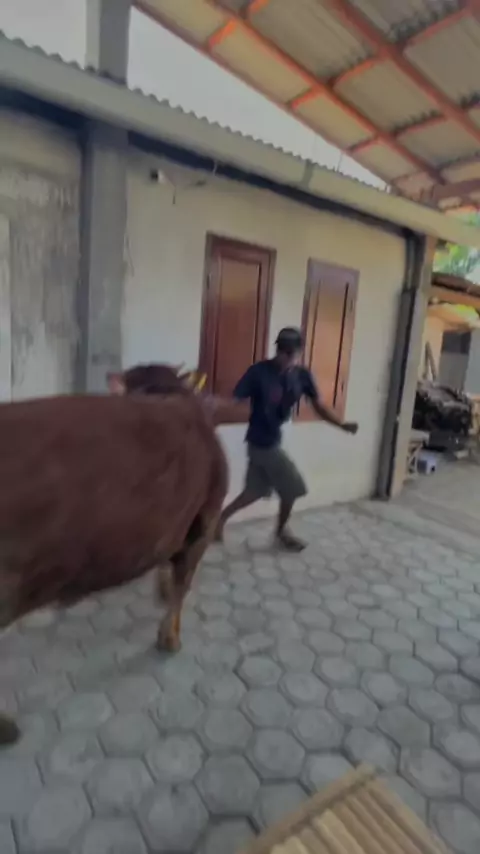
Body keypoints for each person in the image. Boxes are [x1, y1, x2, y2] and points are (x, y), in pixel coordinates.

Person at [215, 327, 358, 552]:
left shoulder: (302, 376)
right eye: (283, 351)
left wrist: (341, 424)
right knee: (293, 487)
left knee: (254, 491)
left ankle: (219, 520)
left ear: (299, 352)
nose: (286, 357)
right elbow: (233, 400)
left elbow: (318, 406)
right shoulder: (258, 372)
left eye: (291, 353)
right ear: (277, 350)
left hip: (273, 440)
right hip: (261, 443)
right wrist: (211, 408)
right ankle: (281, 532)